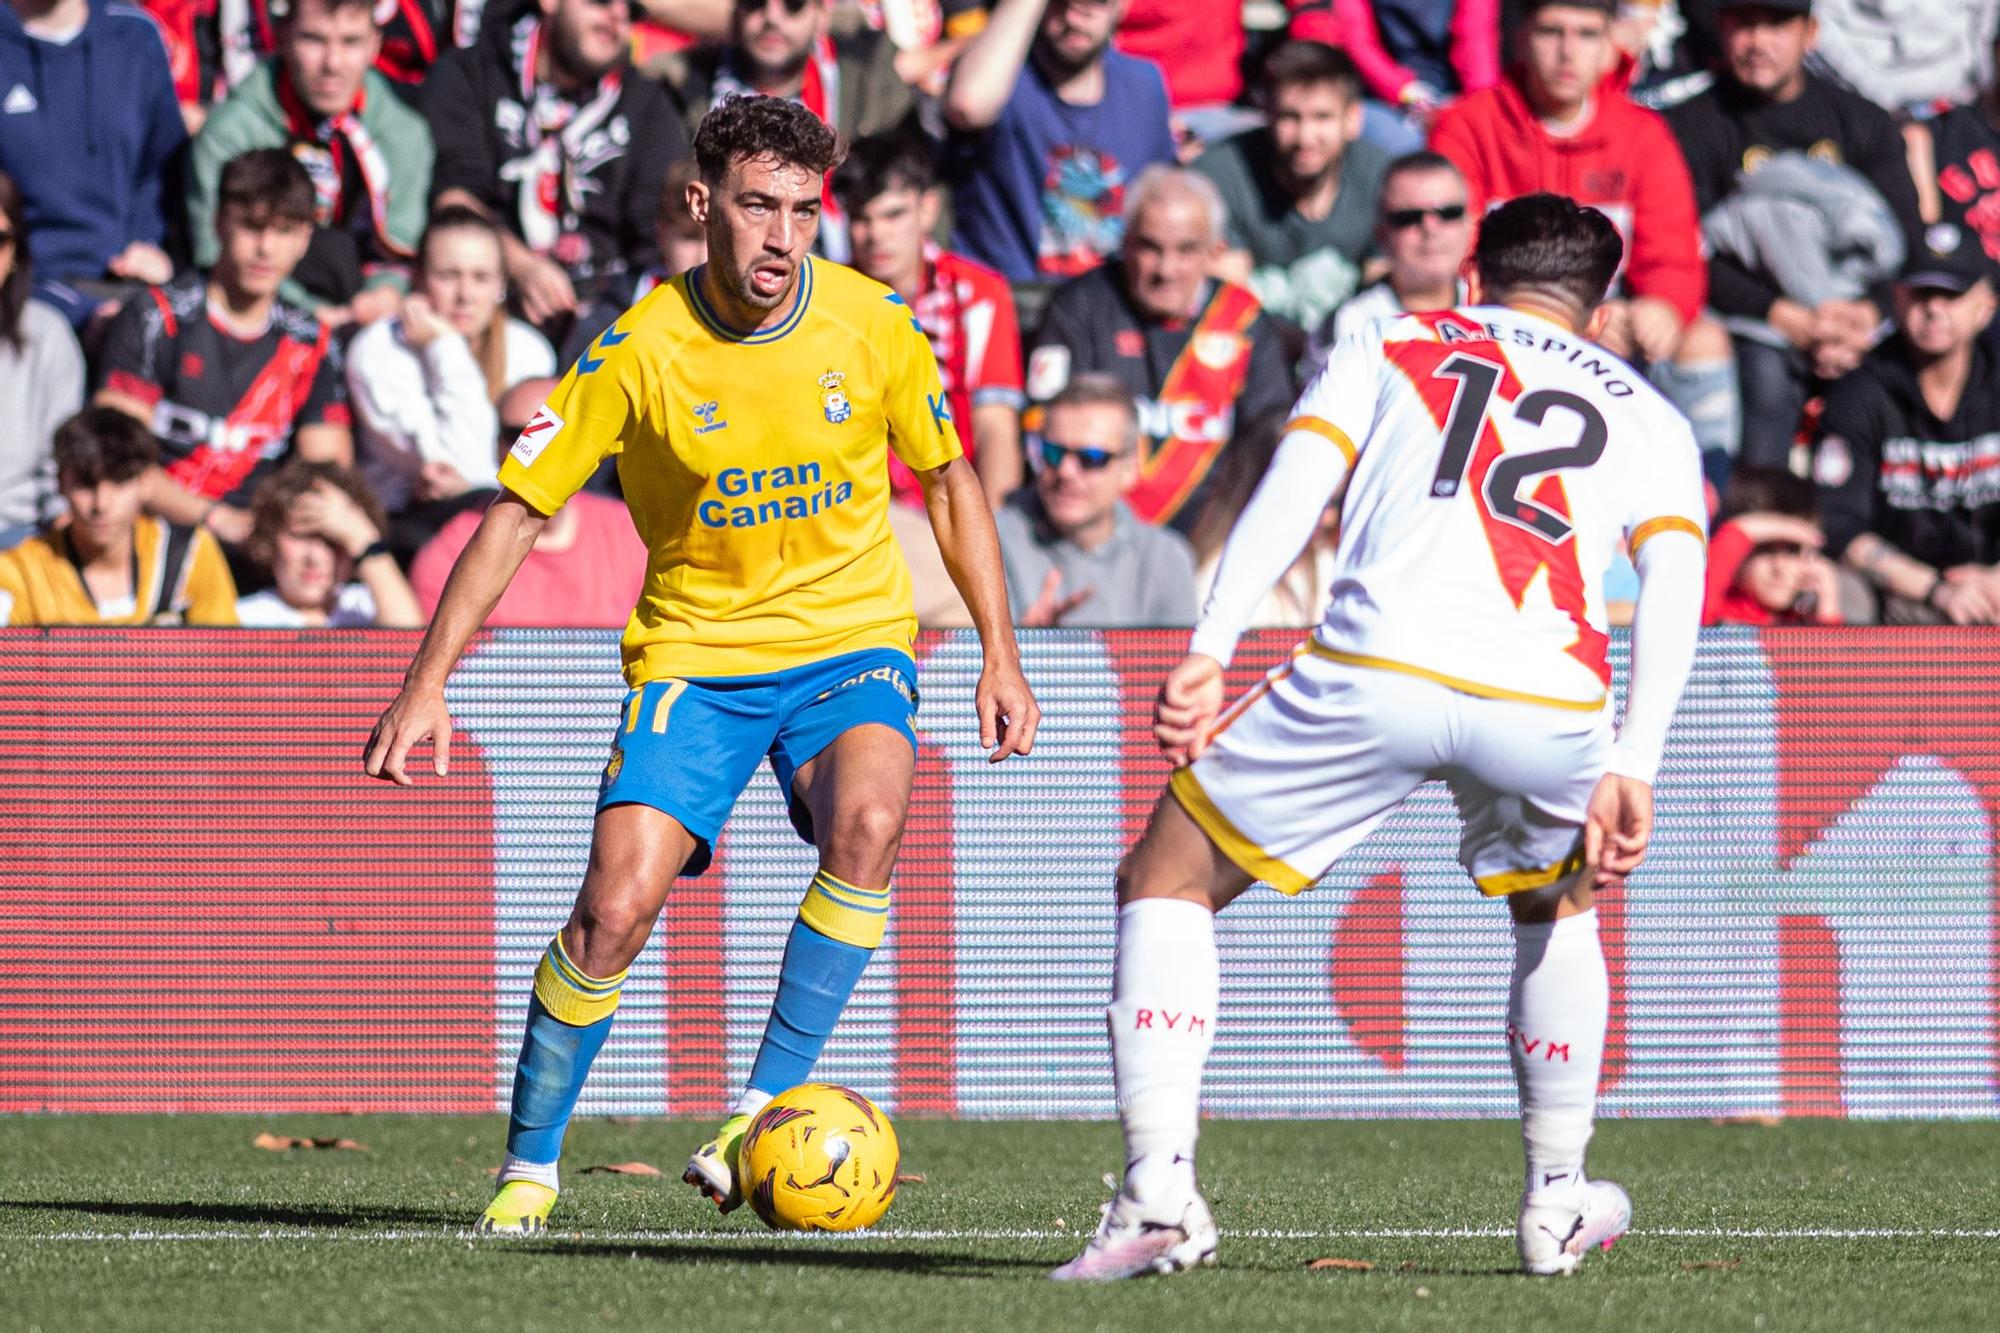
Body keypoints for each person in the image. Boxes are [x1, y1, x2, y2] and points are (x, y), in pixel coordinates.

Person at [361, 96, 1039, 1235]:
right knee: (612, 911)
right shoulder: (635, 353)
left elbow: (952, 479)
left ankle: (756, 1109)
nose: (783, 237)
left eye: (804, 212)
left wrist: (996, 653)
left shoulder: (874, 324)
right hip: (697, 659)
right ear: (699, 204)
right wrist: (429, 679)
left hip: (850, 641)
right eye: (758, 206)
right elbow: (519, 511)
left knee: (867, 825)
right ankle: (528, 1166)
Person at [1050, 194, 1707, 1282]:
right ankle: (1554, 1201)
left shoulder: (1393, 338)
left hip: (1378, 666)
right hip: (1549, 697)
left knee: (1165, 877)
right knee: (1558, 906)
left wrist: (1212, 641)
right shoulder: (1646, 410)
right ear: (1598, 313)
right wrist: (1634, 757)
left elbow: (1291, 481)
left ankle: (1159, 1192)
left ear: (1470, 279)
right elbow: (1676, 583)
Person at [1431, 0, 1739, 481]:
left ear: (1611, 50)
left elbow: (1673, 253)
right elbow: (1446, 247)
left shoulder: (1643, 135)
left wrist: (1662, 307)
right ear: (1520, 39)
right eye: (1551, 31)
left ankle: (1702, 499)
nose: (1567, 52)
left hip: (1609, 318)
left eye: (1587, 34)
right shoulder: (1469, 124)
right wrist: (1559, 317)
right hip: (1497, 319)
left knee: (1702, 339)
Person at [1667, 0, 1923, 469]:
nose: (1758, 42)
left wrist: (1868, 313)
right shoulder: (1689, 125)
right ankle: (1761, 518)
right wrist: (1782, 314)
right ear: (1723, 30)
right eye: (1744, 24)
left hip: (1857, 323)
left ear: (1812, 33)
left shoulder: (1863, 122)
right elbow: (1684, 252)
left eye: (1776, 25)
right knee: (1764, 375)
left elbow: (1908, 240)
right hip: (1752, 321)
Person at [95, 150, 352, 548]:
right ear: (219, 223)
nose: (265, 248)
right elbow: (114, 459)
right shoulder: (156, 318)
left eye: (284, 230)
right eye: (252, 227)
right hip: (153, 535)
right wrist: (216, 518)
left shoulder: (312, 341)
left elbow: (328, 474)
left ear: (305, 240)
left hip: (262, 544)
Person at [1026, 166, 1295, 536]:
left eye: (1186, 250)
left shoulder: (1244, 320)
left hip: (1214, 543)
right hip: (1095, 538)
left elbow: (1269, 445)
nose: (1166, 271)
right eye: (1151, 248)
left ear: (1215, 251)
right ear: (1125, 243)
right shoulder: (1080, 306)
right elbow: (1044, 431)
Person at [423, 0, 690, 337]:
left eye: (633, 10)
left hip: (604, 318)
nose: (618, 16)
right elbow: (454, 198)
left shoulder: (649, 104)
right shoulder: (471, 73)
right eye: (603, 1)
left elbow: (656, 235)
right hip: (485, 306)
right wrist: (523, 266)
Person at [187, 0, 436, 324]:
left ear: (375, 44)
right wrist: (312, 313)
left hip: (369, 319)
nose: (332, 63)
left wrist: (384, 293)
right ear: (282, 35)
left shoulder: (405, 134)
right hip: (256, 315)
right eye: (314, 40)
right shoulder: (231, 133)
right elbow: (212, 249)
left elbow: (402, 241)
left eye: (351, 42)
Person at [346, 207, 558, 549]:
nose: (465, 295)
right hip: (405, 529)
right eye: (448, 276)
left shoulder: (530, 351)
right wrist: (444, 347)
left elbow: (537, 463)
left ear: (502, 284)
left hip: (506, 526)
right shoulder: (376, 350)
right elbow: (457, 462)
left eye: (481, 277)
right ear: (418, 279)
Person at [1816, 235, 2000, 624]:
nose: (1933, 309)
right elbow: (1839, 525)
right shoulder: (1858, 391)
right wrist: (1937, 589)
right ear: (1897, 299)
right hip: (1900, 590)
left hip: (1990, 584)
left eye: (1951, 296)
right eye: (1921, 294)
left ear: (1985, 308)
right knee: (1839, 591)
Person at [838, 131, 1025, 510]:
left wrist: (994, 540)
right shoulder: (830, 298)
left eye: (893, 214)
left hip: (955, 503)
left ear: (928, 209)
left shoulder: (980, 293)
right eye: (860, 218)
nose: (876, 235)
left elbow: (995, 428)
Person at [655, 0, 915, 262]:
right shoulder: (679, 88)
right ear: (735, 14)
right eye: (755, 4)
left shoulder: (870, 77)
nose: (772, 18)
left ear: (822, 16)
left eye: (793, 5)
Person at [943, 0, 1177, 282]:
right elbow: (967, 106)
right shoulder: (1005, 79)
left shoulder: (1142, 86)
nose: (1075, 19)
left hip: (1102, 305)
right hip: (1011, 299)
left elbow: (1160, 203)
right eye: (1062, 3)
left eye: (1095, 4)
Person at [0, 0, 186, 330]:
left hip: (125, 282)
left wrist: (147, 245)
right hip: (22, 292)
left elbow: (162, 167)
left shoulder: (135, 36)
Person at [406, 378, 649, 628]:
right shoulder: (451, 556)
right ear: (496, 445)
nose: (535, 450)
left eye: (553, 434)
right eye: (519, 437)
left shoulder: (635, 535)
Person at [1191, 41, 1388, 334]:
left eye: (1322, 117)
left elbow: (1389, 296)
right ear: (1266, 114)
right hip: (1253, 345)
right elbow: (1227, 301)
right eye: (1290, 117)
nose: (1305, 138)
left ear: (1352, 119)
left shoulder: (1382, 178)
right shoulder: (1218, 175)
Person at [0, 407, 238, 625]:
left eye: (119, 480)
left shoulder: (190, 555)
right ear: (61, 483)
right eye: (85, 483)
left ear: (146, 483)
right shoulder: (21, 571)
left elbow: (227, 662)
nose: (101, 504)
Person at [994, 373, 1197, 626]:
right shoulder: (989, 544)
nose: (1066, 471)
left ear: (1130, 468)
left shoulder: (1165, 558)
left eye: (1091, 457)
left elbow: (1179, 664)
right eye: (1053, 452)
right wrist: (1019, 645)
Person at [1307, 150, 1472, 364]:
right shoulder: (1350, 327)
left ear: (1470, 224)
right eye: (1408, 217)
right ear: (1381, 235)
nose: (1430, 228)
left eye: (1449, 213)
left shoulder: (1499, 308)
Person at [0, 173, 86, 550]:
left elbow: (62, 470)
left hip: (21, 538)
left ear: (17, 253)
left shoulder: (47, 334)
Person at [1188, 413, 1338, 630]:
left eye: (1332, 502)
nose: (1329, 519)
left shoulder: (1329, 564)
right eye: (1315, 504)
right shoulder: (1216, 581)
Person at [235, 458, 423, 627]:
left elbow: (409, 638)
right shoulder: (242, 618)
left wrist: (361, 537)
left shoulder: (367, 606)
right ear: (269, 540)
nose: (315, 557)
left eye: (332, 541)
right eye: (301, 537)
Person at [562, 159, 710, 366]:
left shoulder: (747, 311)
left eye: (715, 239)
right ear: (662, 234)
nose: (704, 256)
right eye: (689, 239)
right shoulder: (623, 303)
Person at [1703, 464, 1840, 625]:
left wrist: (1828, 605)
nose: (1779, 567)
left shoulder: (1803, 619)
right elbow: (1698, 615)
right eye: (1765, 549)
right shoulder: (1721, 613)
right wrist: (1741, 530)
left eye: (1792, 551)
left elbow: (1827, 650)